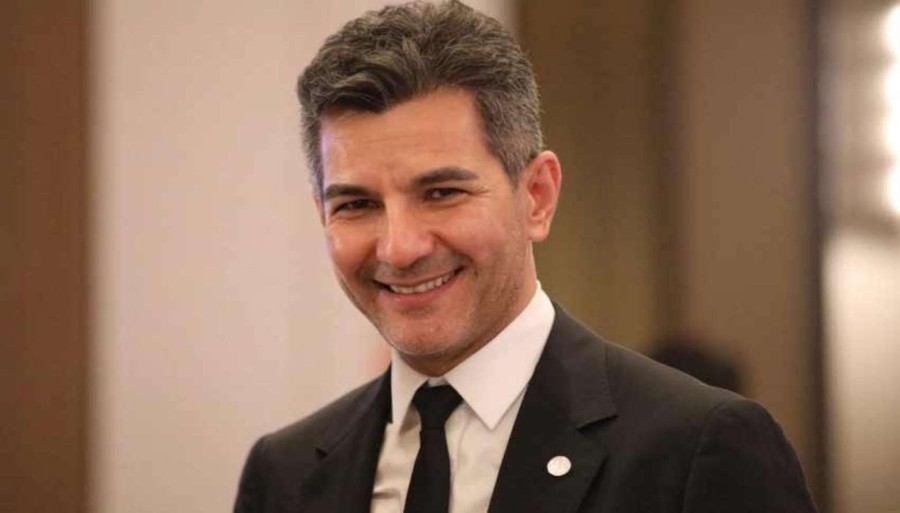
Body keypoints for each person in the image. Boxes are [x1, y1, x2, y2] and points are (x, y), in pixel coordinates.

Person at [233, 1, 818, 512]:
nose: (400, 247)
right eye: (357, 204)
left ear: (537, 196)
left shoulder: (695, 447)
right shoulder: (284, 474)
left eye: (442, 193)